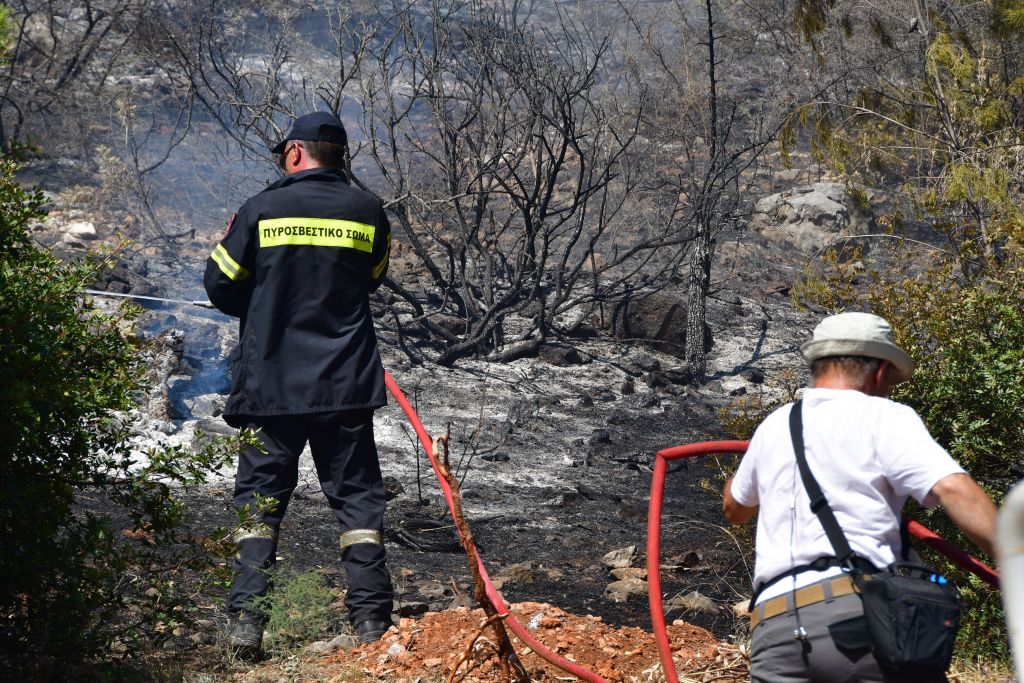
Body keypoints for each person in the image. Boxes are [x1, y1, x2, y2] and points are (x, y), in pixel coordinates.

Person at [205, 111, 394, 658]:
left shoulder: (262, 208)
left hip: (273, 387)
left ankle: (246, 627)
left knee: (258, 506)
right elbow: (372, 278)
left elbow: (220, 283)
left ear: (293, 154)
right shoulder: (368, 211)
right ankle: (371, 624)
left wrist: (264, 300)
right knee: (358, 505)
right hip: (345, 384)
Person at [722, 311, 998, 683]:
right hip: (855, 619)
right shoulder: (885, 416)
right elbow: (953, 488)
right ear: (881, 371)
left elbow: (735, 509)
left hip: (775, 630)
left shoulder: (776, 423)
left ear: (817, 365)